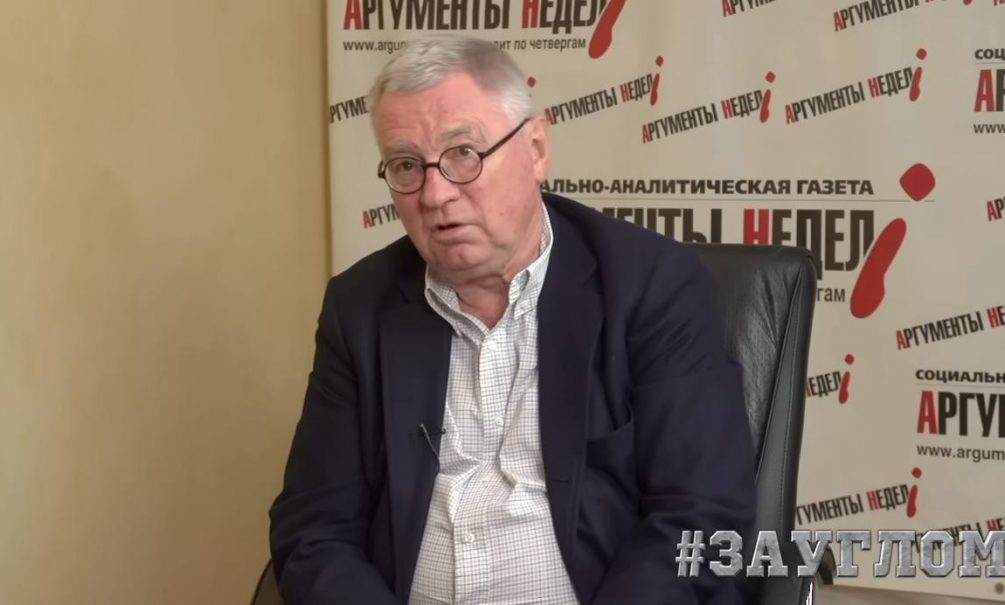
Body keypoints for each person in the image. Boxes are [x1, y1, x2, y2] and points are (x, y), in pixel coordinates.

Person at [269, 34, 755, 605]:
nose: (435, 194)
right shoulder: (360, 307)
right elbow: (314, 529)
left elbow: (701, 516)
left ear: (536, 148)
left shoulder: (651, 284)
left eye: (463, 154)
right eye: (406, 165)